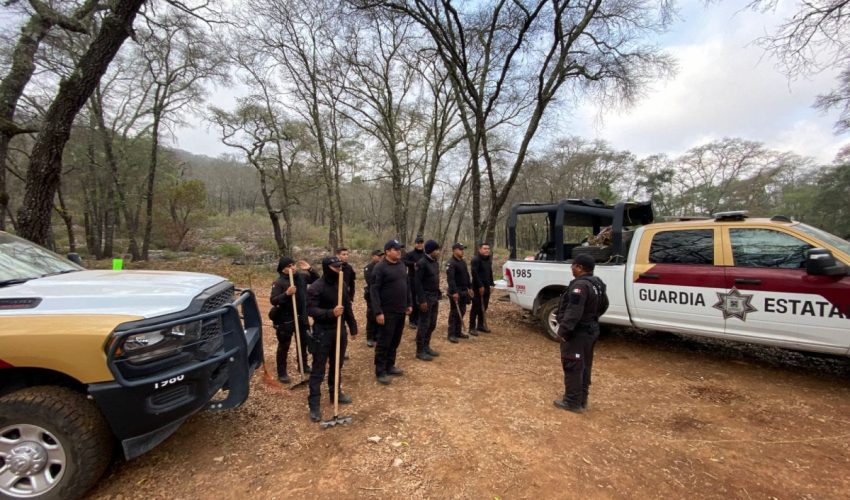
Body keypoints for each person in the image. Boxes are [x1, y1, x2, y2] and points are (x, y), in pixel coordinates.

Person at [553, 254, 608, 414]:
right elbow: (605, 304)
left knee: (573, 365)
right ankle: (582, 399)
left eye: (573, 266)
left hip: (578, 333)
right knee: (584, 365)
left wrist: (562, 331)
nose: (571, 268)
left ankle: (572, 402)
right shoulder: (597, 283)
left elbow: (573, 312)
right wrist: (593, 318)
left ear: (579, 267)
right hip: (590, 330)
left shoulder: (581, 286)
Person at [306, 256, 358, 422]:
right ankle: (314, 404)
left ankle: (335, 393)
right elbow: (310, 310)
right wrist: (330, 313)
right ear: (327, 268)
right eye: (336, 267)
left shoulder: (341, 283)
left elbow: (347, 307)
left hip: (339, 331)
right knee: (318, 368)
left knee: (337, 364)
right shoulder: (316, 287)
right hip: (322, 332)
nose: (339, 270)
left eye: (341, 267)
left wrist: (353, 327)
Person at [270, 257, 318, 383]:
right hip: (285, 319)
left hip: (302, 316)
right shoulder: (279, 282)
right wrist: (286, 294)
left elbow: (316, 280)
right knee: (284, 345)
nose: (293, 268)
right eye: (289, 266)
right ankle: (282, 372)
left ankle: (303, 365)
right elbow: (273, 300)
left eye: (293, 265)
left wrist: (310, 269)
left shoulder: (301, 277)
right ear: (283, 269)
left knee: (303, 342)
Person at [371, 239, 412, 385]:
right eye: (395, 249)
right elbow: (374, 291)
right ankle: (380, 370)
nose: (399, 251)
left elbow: (407, 285)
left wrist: (409, 303)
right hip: (387, 311)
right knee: (384, 341)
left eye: (399, 249)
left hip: (401, 309)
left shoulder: (401, 265)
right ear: (387, 251)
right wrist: (378, 312)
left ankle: (390, 365)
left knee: (395, 340)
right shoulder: (380, 268)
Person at [414, 240, 441, 361]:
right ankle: (420, 350)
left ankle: (426, 346)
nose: (438, 252)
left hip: (434, 296)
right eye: (436, 250)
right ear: (430, 250)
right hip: (425, 297)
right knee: (424, 324)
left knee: (432, 323)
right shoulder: (422, 263)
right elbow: (417, 282)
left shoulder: (435, 262)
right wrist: (422, 300)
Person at [445, 242, 473, 343]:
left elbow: (467, 275)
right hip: (455, 291)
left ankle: (458, 331)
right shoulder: (451, 263)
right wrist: (454, 292)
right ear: (454, 250)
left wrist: (470, 287)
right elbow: (450, 279)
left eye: (463, 249)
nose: (462, 251)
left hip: (464, 291)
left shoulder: (462, 261)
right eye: (460, 249)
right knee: (454, 312)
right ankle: (451, 334)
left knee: (462, 310)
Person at [470, 242, 495, 333]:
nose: (487, 250)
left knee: (484, 307)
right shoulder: (475, 260)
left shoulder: (488, 259)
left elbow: (490, 272)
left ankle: (480, 325)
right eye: (484, 248)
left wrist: (492, 284)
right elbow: (474, 274)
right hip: (477, 287)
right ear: (480, 249)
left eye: (488, 249)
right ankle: (471, 327)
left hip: (487, 287)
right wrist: (480, 286)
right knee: (476, 307)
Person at [403, 235, 425, 329]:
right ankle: (412, 320)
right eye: (418, 243)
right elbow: (403, 261)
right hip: (412, 279)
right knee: (413, 300)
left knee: (421, 299)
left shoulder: (425, 254)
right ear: (415, 244)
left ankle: (420, 319)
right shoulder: (410, 254)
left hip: (423, 280)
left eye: (421, 243)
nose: (419, 245)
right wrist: (413, 264)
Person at [363, 249, 384, 348]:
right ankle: (370, 337)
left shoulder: (383, 266)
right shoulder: (368, 268)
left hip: (382, 295)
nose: (380, 258)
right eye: (378, 256)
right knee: (371, 316)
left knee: (380, 315)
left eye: (381, 256)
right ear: (373, 256)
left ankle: (377, 336)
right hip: (371, 295)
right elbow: (371, 281)